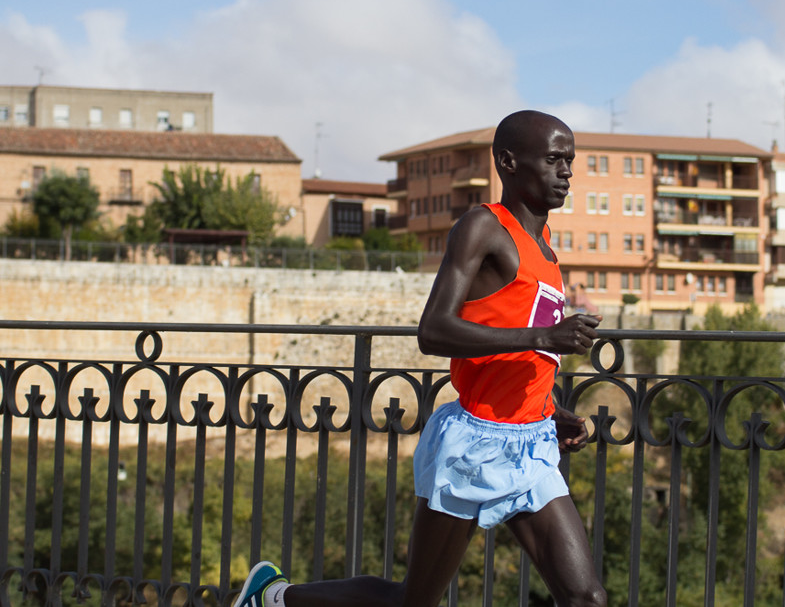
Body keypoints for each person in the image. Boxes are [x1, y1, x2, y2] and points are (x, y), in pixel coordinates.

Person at [234, 110, 608, 607]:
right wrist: (545, 333)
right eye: (555, 160)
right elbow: (433, 331)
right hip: (476, 444)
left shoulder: (546, 251)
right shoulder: (483, 228)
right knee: (413, 602)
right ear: (509, 162)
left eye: (570, 162)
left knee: (587, 598)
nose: (567, 173)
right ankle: (274, 597)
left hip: (531, 443)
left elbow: (522, 347)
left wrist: (551, 410)